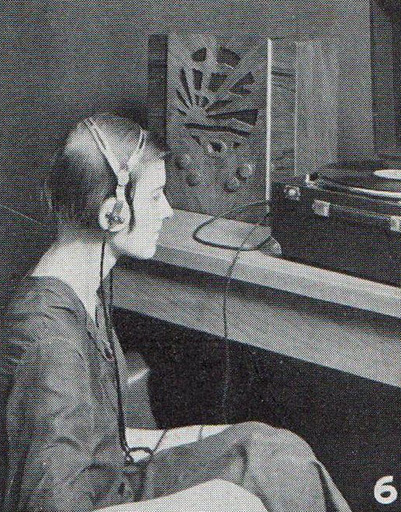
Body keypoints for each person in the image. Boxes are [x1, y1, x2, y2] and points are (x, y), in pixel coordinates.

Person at [0, 113, 351, 512]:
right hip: (100, 501)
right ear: (112, 214)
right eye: (155, 196)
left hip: (115, 483)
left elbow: (102, 443)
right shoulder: (48, 342)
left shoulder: (82, 295)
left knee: (273, 453)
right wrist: (216, 499)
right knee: (244, 489)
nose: (167, 211)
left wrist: (233, 437)